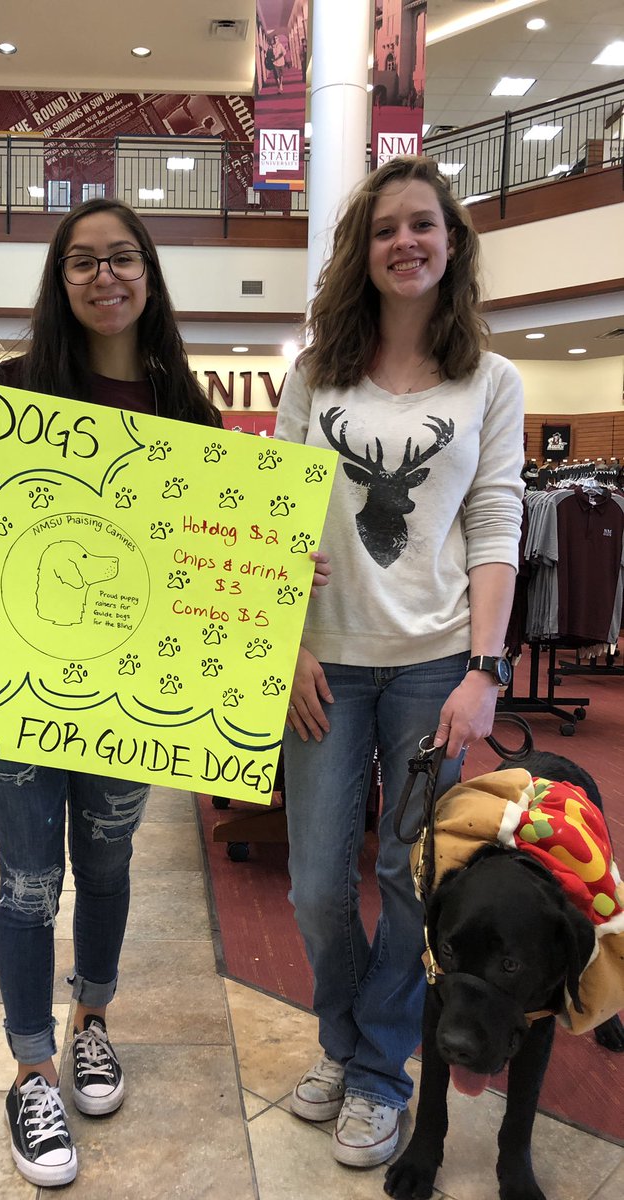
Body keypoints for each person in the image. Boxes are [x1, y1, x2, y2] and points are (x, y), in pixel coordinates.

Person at [0, 196, 329, 1187]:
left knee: (105, 873)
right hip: (11, 691)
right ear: (59, 283)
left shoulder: (188, 410)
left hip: (129, 697)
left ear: (150, 275)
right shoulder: (7, 391)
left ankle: (92, 1020)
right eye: (81, 262)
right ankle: (30, 1067)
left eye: (122, 258)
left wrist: (274, 572)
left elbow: (204, 563)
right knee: (28, 884)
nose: (104, 275)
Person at [274, 156, 524, 1169]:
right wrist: (283, 643)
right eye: (385, 230)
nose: (405, 242)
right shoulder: (313, 375)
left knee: (412, 876)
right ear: (361, 252)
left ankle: (376, 1068)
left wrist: (485, 667)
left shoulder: (491, 380)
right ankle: (341, 1036)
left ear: (451, 241)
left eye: (423, 225)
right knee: (317, 886)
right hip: (325, 658)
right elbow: (275, 517)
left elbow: (497, 522)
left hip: (434, 666)